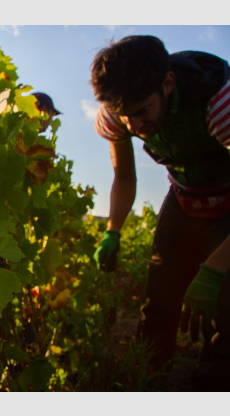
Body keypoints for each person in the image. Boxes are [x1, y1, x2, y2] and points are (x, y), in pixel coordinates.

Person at [90, 35, 230, 390]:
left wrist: (215, 269)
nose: (135, 125)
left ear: (167, 84)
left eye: (142, 110)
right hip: (184, 198)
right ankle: (147, 383)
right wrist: (112, 231)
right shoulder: (115, 113)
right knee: (158, 300)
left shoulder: (220, 105)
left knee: (226, 306)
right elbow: (124, 176)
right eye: (127, 116)